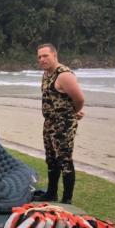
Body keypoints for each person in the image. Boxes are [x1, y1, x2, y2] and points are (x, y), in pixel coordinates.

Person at [37, 43, 85, 204]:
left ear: (54, 55)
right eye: (39, 57)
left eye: (45, 56)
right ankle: (51, 193)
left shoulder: (64, 75)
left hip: (63, 124)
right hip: (49, 122)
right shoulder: (46, 74)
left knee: (64, 160)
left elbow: (79, 99)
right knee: (51, 159)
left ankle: (67, 199)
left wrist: (74, 112)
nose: (42, 59)